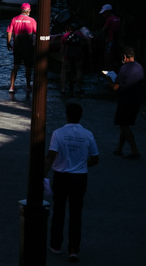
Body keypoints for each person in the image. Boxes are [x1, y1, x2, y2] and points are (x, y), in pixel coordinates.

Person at [45, 103, 99, 262]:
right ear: (80, 116)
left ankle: (56, 245)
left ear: (67, 115)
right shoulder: (88, 134)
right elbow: (95, 158)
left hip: (61, 175)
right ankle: (74, 248)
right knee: (76, 213)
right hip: (80, 177)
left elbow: (51, 156)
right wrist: (82, 163)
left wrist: (43, 173)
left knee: (59, 211)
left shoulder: (58, 133)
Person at [112, 47, 143, 160]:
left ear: (125, 57)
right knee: (124, 124)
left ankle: (135, 151)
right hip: (137, 100)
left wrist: (109, 81)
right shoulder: (140, 67)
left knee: (124, 125)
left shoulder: (124, 68)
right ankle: (119, 148)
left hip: (126, 101)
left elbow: (116, 87)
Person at [6, 2, 36, 94]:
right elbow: (36, 33)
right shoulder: (32, 21)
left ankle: (11, 87)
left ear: (21, 10)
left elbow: (9, 32)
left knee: (15, 66)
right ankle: (28, 86)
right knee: (28, 67)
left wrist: (8, 43)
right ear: (29, 10)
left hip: (17, 47)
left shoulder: (14, 19)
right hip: (28, 47)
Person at [60, 22, 89, 95]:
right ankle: (78, 89)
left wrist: (63, 54)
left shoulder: (65, 36)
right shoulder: (80, 34)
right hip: (78, 55)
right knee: (79, 71)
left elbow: (62, 49)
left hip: (68, 55)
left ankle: (63, 89)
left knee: (63, 70)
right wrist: (90, 49)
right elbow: (87, 39)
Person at [99, 4, 122, 71]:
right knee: (113, 58)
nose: (103, 15)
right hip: (116, 41)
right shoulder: (117, 18)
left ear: (108, 12)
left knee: (107, 58)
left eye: (104, 13)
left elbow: (103, 30)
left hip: (110, 41)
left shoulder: (109, 20)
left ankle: (109, 74)